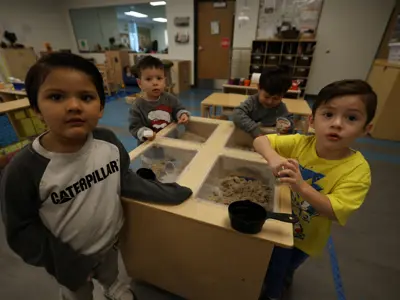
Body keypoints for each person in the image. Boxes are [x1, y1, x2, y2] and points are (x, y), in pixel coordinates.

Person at [0, 53, 193, 300]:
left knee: (110, 271)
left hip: (110, 240)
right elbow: (21, 231)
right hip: (69, 258)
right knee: (78, 292)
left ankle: (113, 286)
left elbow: (126, 179)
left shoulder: (108, 142)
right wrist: (64, 262)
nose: (74, 106)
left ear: (101, 107)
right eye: (56, 96)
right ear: (36, 107)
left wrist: (172, 193)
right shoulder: (24, 170)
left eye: (86, 97)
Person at [253, 79, 377, 300]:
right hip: (281, 225)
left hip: (307, 236)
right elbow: (260, 141)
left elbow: (334, 211)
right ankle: (276, 283)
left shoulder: (358, 170)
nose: (337, 124)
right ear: (312, 120)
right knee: (274, 266)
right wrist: (273, 157)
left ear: (366, 128)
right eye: (328, 114)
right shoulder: (302, 144)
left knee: (285, 267)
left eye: (351, 118)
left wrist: (301, 186)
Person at [129, 55, 190, 143]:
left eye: (159, 78)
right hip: (151, 147)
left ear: (164, 81)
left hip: (171, 141)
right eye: (148, 79)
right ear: (140, 83)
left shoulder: (169, 98)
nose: (155, 83)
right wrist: (145, 133)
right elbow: (135, 127)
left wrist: (182, 115)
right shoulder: (137, 106)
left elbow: (179, 109)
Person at [232, 66, 293, 138]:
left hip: (269, 138)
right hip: (250, 136)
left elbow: (290, 121)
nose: (270, 102)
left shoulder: (281, 108)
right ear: (259, 88)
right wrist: (253, 129)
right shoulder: (252, 102)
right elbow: (237, 114)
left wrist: (288, 127)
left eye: (276, 98)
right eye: (266, 97)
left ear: (283, 95)